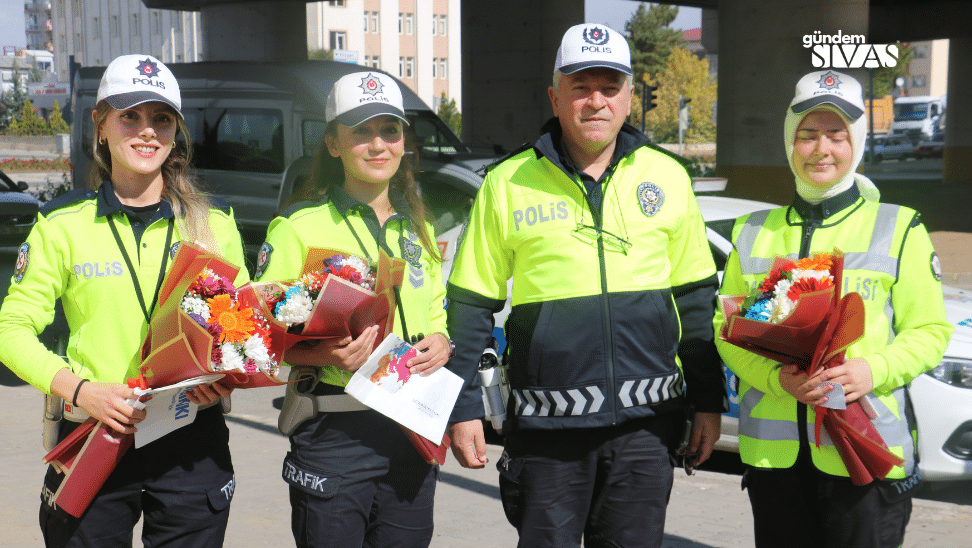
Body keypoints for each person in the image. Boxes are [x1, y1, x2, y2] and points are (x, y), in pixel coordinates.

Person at [444, 24, 727, 548]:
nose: (595, 101)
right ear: (556, 96)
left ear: (629, 98)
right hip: (548, 439)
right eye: (580, 86)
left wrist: (707, 400)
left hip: (646, 431)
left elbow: (695, 302)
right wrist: (461, 410)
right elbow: (468, 307)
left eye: (610, 86)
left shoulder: (668, 177)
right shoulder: (506, 183)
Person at [0, 54, 248, 547]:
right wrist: (80, 389)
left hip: (191, 442)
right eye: (130, 116)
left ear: (176, 131)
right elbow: (11, 331)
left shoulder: (214, 226)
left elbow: (239, 336)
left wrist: (227, 379)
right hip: (95, 434)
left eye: (161, 119)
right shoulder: (62, 224)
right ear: (100, 124)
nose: (147, 131)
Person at [713, 69, 953, 548]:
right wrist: (775, 379)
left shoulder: (898, 227)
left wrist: (872, 369)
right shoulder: (753, 232)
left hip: (863, 455)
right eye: (807, 135)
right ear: (790, 142)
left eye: (836, 135)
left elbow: (929, 331)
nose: (821, 149)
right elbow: (727, 332)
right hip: (776, 467)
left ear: (856, 143)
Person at [254, 71, 452, 548]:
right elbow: (256, 339)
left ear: (404, 142)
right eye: (360, 131)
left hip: (412, 430)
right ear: (333, 144)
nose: (377, 144)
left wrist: (443, 342)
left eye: (389, 130)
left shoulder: (418, 230)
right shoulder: (297, 229)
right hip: (334, 433)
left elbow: (437, 312)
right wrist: (323, 357)